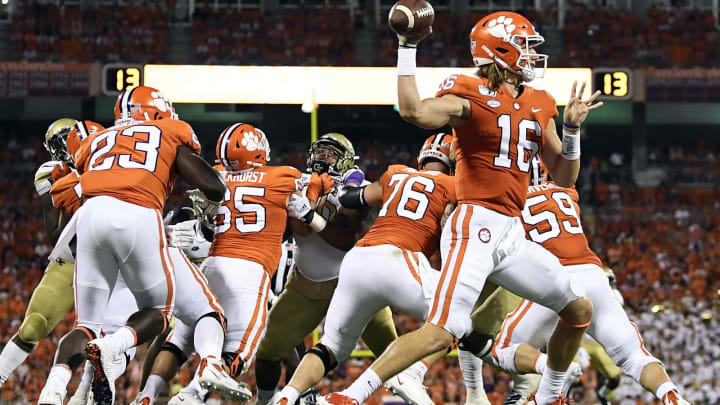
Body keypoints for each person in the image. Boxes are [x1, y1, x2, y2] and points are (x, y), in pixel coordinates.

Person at [321, 11, 603, 405]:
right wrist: (407, 48)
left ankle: (549, 397)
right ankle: (351, 394)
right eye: (524, 46)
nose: (532, 55)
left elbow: (565, 175)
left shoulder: (540, 102)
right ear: (500, 51)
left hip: (511, 230)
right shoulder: (468, 92)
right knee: (445, 328)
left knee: (578, 308)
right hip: (476, 224)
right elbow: (413, 112)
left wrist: (571, 131)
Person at [37, 86, 228, 405]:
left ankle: (53, 390)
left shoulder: (93, 144)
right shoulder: (168, 131)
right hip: (140, 217)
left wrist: (49, 198)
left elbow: (61, 230)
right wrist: (205, 203)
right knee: (160, 312)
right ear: (154, 111)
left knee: (86, 326)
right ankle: (115, 349)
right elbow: (212, 185)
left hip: (92, 220)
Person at [272, 133, 456, 405]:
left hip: (358, 258)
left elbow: (349, 197)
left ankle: (286, 395)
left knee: (330, 345)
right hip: (400, 257)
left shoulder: (395, 174)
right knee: (456, 319)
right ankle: (399, 379)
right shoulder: (455, 185)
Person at [492, 162, 692, 405]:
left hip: (555, 279)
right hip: (593, 275)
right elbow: (568, 162)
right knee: (633, 355)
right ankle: (672, 396)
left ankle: (554, 372)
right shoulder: (567, 190)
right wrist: (572, 131)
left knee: (503, 349)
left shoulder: (506, 201)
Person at [167, 123, 334, 404]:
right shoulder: (283, 176)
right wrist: (321, 188)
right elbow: (318, 190)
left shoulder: (216, 175)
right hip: (251, 269)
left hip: (210, 265)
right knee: (243, 349)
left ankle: (149, 394)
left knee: (179, 340)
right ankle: (193, 394)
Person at [254, 134, 397, 405]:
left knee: (395, 354)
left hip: (359, 285)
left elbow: (346, 237)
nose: (321, 159)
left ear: (344, 160)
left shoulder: (358, 187)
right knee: (268, 349)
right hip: (307, 285)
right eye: (318, 153)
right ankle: (264, 401)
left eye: (329, 154)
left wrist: (309, 216)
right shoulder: (298, 186)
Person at [0, 119, 101, 388]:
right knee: (34, 324)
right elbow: (56, 233)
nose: (67, 147)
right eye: (60, 143)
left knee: (125, 330)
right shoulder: (52, 173)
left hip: (117, 256)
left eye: (70, 138)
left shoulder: (116, 165)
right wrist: (71, 189)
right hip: (75, 253)